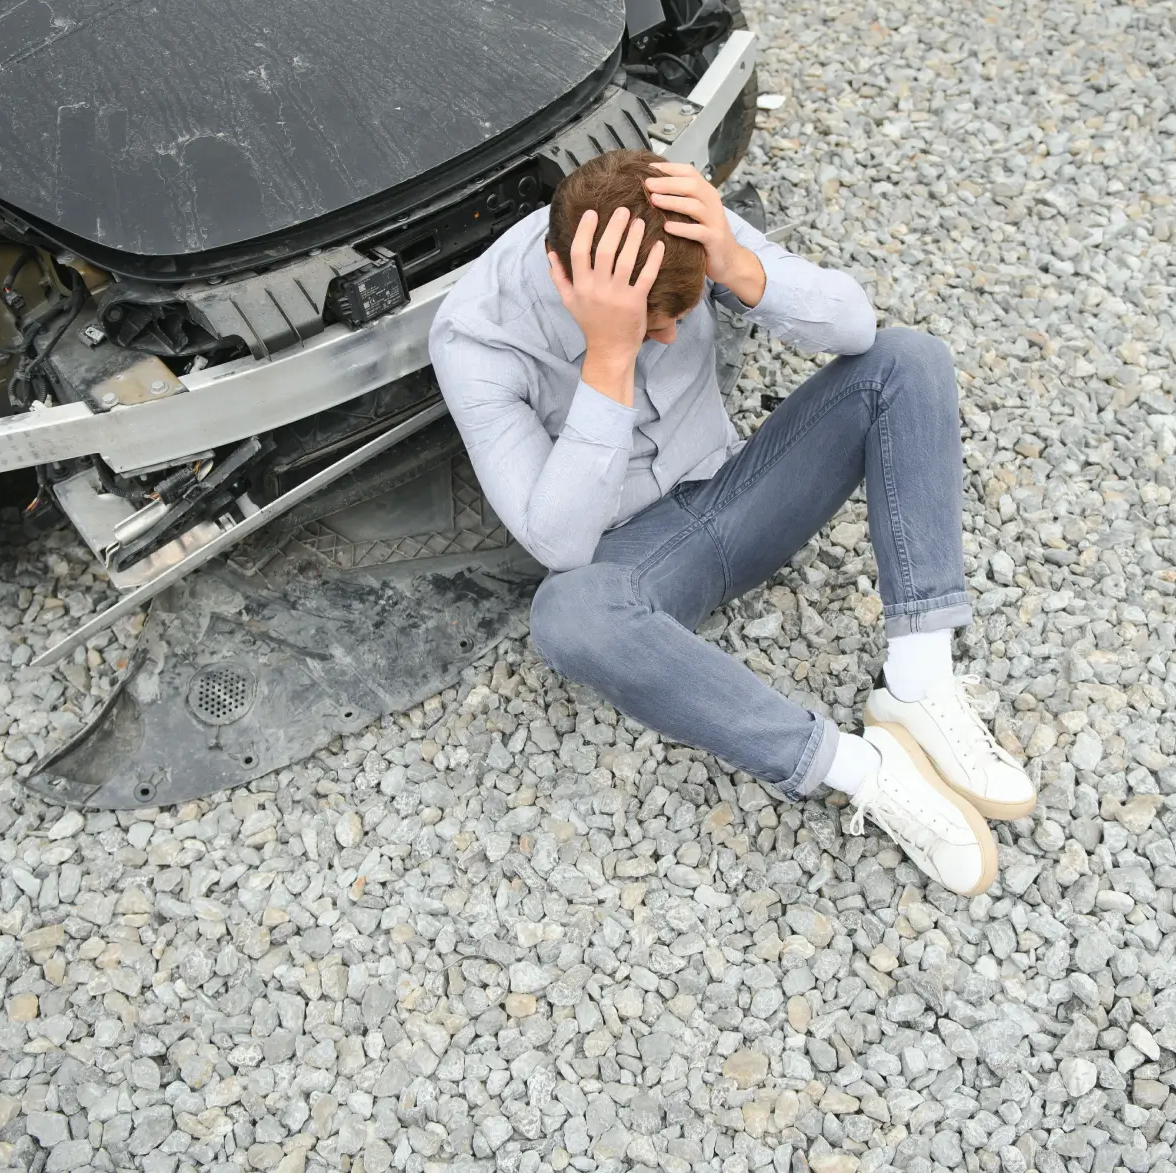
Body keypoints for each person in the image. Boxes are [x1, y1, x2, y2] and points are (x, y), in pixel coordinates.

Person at [428, 148, 1035, 896]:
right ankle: (864, 771)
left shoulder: (673, 216)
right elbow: (558, 541)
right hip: (637, 566)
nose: (671, 339)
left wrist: (735, 260)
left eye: (678, 320)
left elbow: (856, 325)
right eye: (654, 327)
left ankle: (918, 681)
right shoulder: (477, 338)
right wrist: (611, 358)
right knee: (568, 614)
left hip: (741, 490)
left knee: (907, 360)